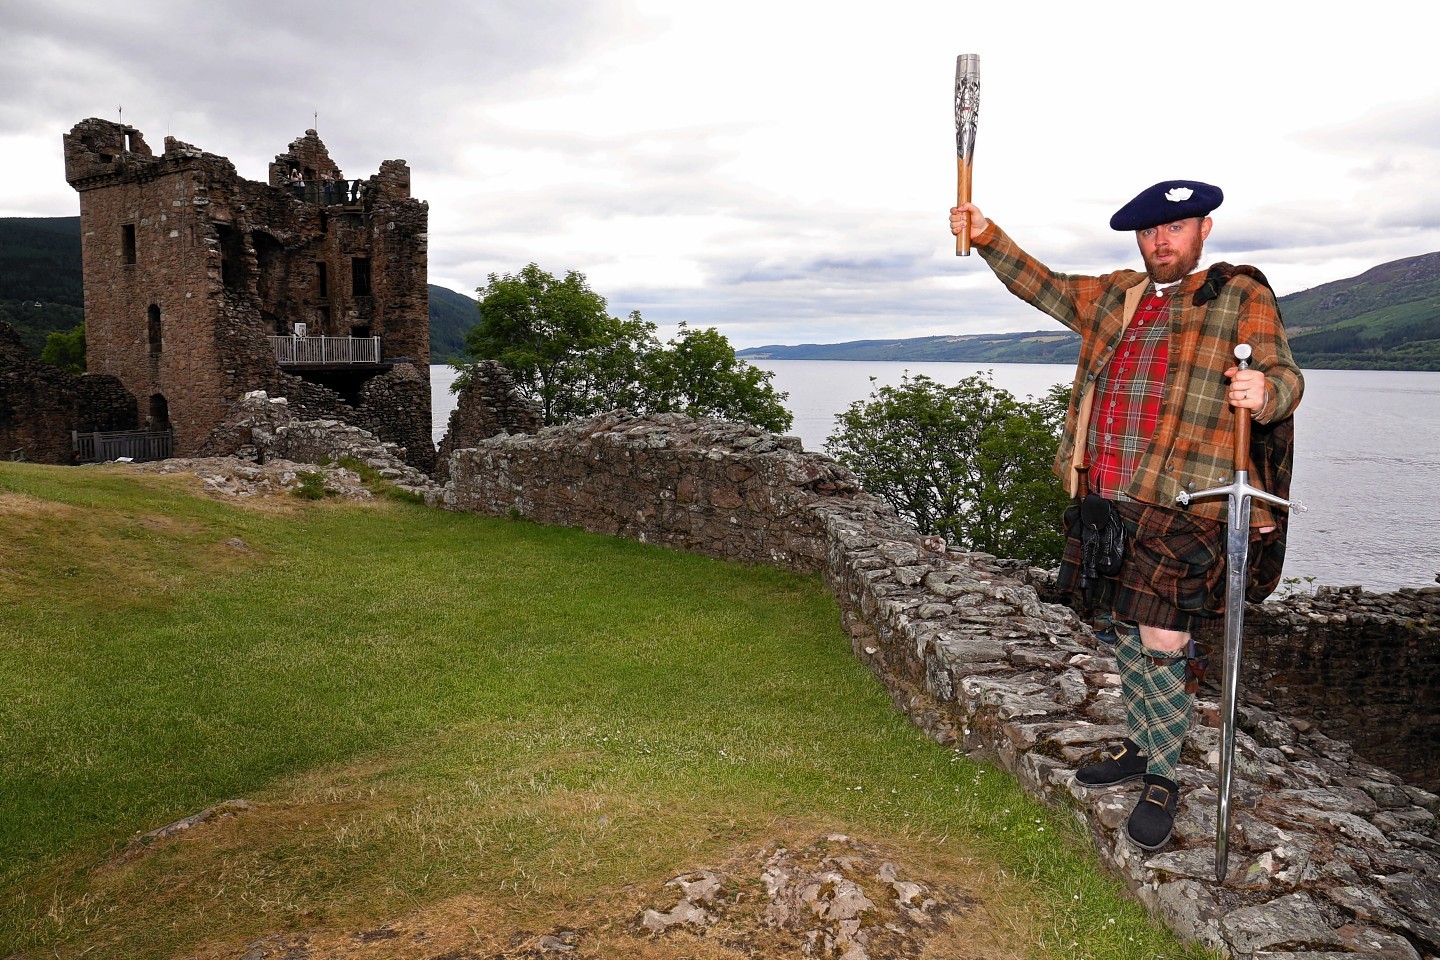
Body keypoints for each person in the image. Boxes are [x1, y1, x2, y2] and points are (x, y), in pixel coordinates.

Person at [949, 181, 1302, 851]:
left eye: (1174, 228)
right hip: (1105, 495)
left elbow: (1284, 374)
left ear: (1203, 229)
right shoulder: (1117, 295)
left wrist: (1265, 391)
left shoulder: (1238, 295)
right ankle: (1142, 744)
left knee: (1164, 640)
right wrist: (988, 234)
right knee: (1120, 632)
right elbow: (1043, 286)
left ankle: (1163, 777)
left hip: (1185, 499)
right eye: (1148, 232)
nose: (1160, 241)